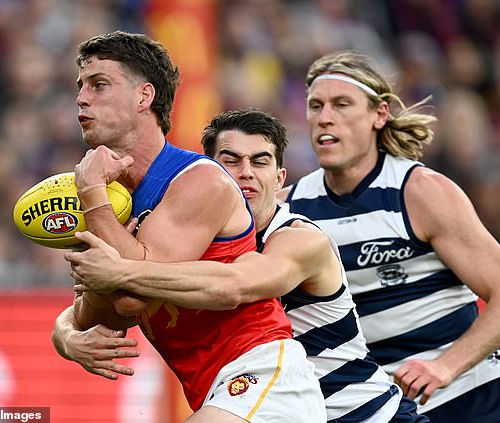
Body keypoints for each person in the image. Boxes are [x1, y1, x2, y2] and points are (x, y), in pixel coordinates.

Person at [61, 109, 430, 422]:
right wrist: (66, 337)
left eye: (260, 161)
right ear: (208, 172)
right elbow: (93, 304)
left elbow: (234, 285)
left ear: (280, 178)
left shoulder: (299, 240)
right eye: (231, 161)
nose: (246, 172)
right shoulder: (184, 238)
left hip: (364, 415)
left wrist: (120, 268)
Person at [58, 31, 325, 422]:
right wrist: (68, 337)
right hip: (222, 391)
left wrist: (93, 197)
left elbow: (134, 295)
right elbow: (112, 315)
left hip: (265, 376)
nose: (82, 98)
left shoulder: (198, 180)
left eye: (99, 84)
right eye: (81, 86)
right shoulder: (111, 195)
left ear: (143, 97)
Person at [282, 50, 500, 422]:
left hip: (475, 398)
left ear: (380, 114)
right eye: (315, 105)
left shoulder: (420, 192)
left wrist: (443, 367)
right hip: (389, 411)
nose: (325, 118)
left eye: (342, 104)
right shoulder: (292, 208)